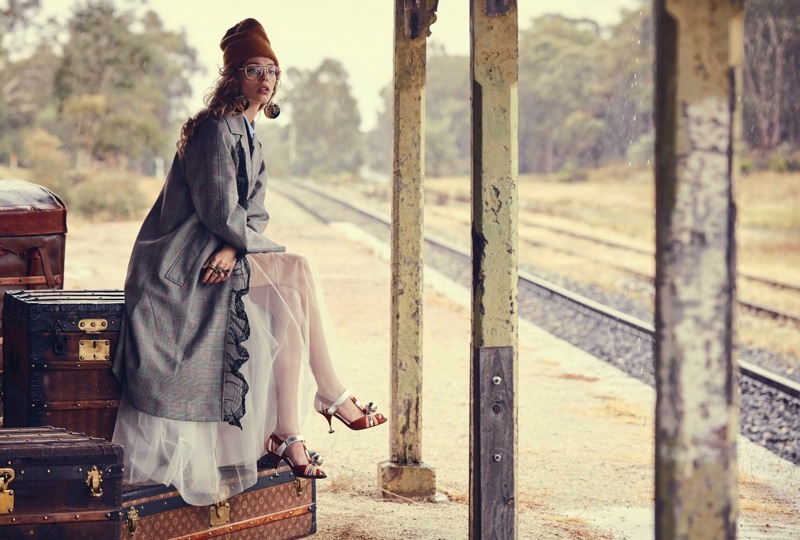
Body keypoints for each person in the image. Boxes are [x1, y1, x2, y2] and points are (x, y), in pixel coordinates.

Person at [111, 18, 386, 506]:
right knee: (298, 271)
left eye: (272, 71)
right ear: (232, 78)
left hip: (219, 249)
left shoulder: (249, 133)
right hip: (179, 260)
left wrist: (236, 246)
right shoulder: (216, 131)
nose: (265, 80)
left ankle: (289, 432)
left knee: (291, 302)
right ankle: (331, 400)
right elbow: (219, 209)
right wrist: (233, 240)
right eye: (254, 70)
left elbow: (254, 211)